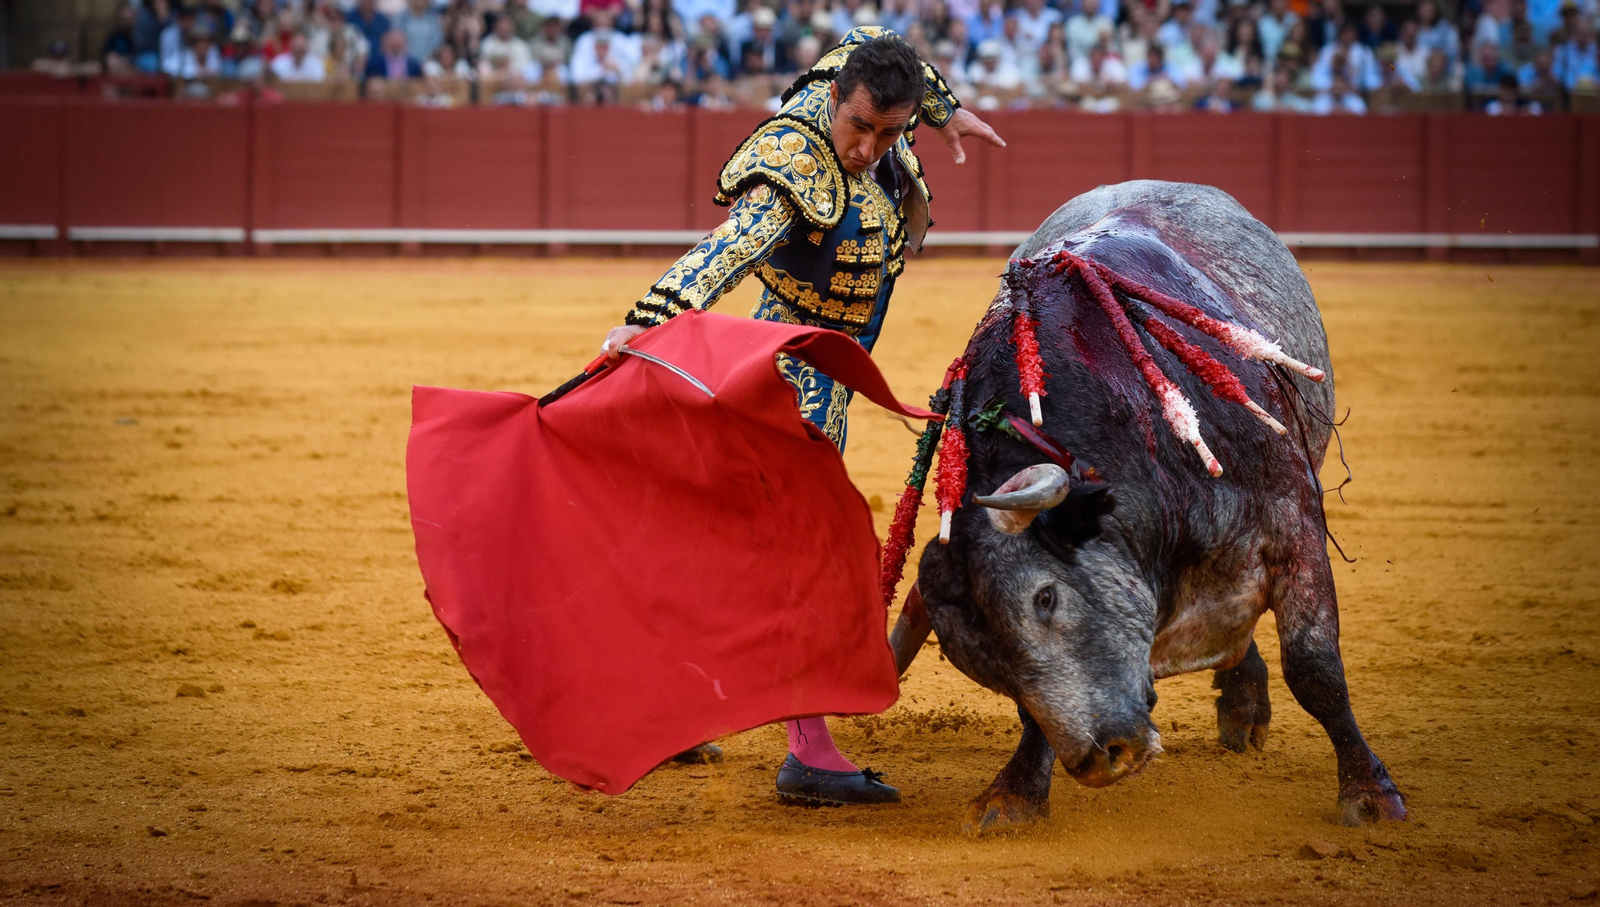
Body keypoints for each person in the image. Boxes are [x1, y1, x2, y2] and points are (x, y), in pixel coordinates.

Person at [596, 27, 1003, 806]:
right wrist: (648, 323)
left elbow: (880, 39)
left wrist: (945, 112)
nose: (868, 147)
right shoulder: (796, 160)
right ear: (833, 102)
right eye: (858, 127)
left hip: (825, 374)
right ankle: (807, 751)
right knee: (804, 551)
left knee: (732, 540)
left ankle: (671, 710)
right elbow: (730, 249)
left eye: (890, 131)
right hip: (787, 377)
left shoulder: (877, 99)